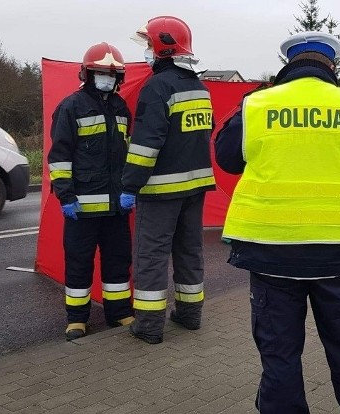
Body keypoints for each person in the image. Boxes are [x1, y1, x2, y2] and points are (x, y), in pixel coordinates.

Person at [215, 31, 340, 414]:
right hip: (339, 254)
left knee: (280, 357)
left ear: (288, 64)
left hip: (272, 254)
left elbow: (226, 158)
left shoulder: (257, 104)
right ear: (332, 65)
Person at [122, 16, 216, 344]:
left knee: (152, 255)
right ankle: (190, 315)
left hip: (161, 189)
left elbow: (146, 144)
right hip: (196, 187)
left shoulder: (158, 86)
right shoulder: (199, 87)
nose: (147, 51)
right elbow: (205, 132)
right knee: (189, 250)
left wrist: (130, 184)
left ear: (163, 47)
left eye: (149, 45)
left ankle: (148, 326)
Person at [47, 42, 133, 341]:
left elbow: (128, 151)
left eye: (111, 74)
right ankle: (77, 319)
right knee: (79, 264)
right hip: (81, 209)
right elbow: (59, 156)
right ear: (87, 73)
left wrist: (129, 189)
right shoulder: (70, 107)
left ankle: (120, 312)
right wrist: (66, 196)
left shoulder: (121, 108)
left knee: (119, 261)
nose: (106, 79)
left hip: (116, 207)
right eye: (100, 73)